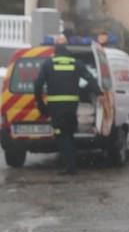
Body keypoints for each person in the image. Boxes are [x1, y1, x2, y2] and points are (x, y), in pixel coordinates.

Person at [34, 36, 102, 175]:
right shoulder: (76, 63)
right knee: (69, 134)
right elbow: (90, 79)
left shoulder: (48, 64)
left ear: (55, 51)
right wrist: (99, 94)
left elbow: (38, 85)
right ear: (67, 51)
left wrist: (40, 103)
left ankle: (70, 167)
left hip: (56, 107)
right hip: (71, 106)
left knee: (61, 135)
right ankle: (71, 164)